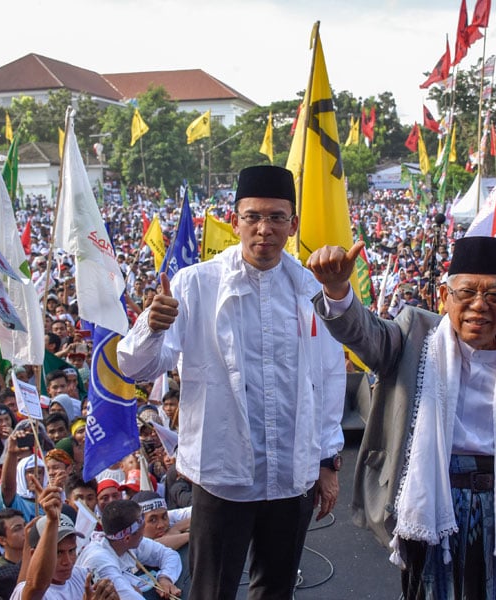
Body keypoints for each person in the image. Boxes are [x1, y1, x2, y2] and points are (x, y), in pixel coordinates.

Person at [117, 164, 346, 599]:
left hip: (289, 472)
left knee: (275, 589)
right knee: (213, 589)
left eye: (277, 217)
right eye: (253, 216)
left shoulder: (309, 289)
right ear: (234, 219)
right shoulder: (195, 285)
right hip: (223, 477)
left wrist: (326, 461)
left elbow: (330, 379)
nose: (264, 229)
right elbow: (135, 367)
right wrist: (152, 324)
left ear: (293, 224)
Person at [307, 235, 496, 599]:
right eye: (466, 293)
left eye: (494, 295)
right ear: (445, 295)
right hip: (433, 503)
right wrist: (337, 289)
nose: (478, 306)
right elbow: (364, 335)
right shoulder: (414, 335)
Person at [75, 499, 181, 600]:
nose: (143, 533)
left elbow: (169, 554)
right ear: (127, 538)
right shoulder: (99, 560)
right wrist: (133, 591)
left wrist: (165, 578)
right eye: (142, 528)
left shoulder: (129, 541)